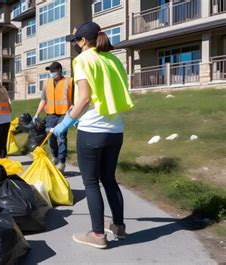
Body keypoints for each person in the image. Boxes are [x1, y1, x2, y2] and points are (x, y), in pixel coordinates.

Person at [51, 21, 134, 249]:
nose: (75, 45)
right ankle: (118, 226)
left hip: (92, 130)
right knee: (109, 179)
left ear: (83, 41)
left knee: (90, 183)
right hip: (115, 129)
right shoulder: (112, 59)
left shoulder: (82, 60)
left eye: (76, 40)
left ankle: (98, 235)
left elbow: (85, 98)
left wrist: (65, 123)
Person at [33, 61, 73, 172]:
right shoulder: (46, 83)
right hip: (50, 114)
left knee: (61, 137)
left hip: (64, 114)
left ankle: (61, 162)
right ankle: (55, 156)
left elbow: (74, 100)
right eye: (50, 71)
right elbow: (43, 100)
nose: (51, 73)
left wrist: (74, 117)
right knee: (50, 137)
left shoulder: (69, 82)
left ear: (60, 70)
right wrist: (36, 114)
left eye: (53, 70)